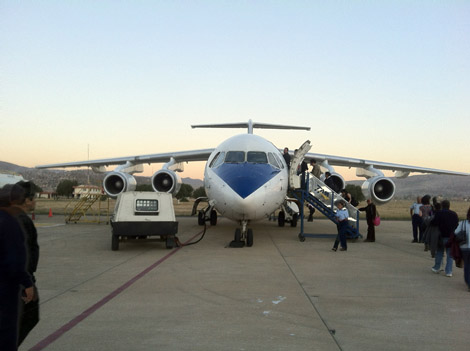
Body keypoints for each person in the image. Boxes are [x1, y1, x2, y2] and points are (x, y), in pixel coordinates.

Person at [0, 184, 34, 351]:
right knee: (6, 333)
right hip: (5, 289)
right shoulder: (9, 224)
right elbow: (14, 260)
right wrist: (27, 283)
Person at [15, 181, 40, 346]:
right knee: (29, 316)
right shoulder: (22, 221)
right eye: (34, 198)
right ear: (26, 200)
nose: (35, 202)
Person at [430, 199, 459, 277]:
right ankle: (448, 271)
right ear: (449, 206)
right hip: (450, 237)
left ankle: (437, 267)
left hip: (440, 236)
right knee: (450, 255)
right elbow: (457, 225)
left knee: (439, 252)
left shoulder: (439, 213)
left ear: (442, 206)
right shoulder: (454, 214)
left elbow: (434, 222)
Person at [455, 207, 470, 291]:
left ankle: (468, 281)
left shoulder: (463, 223)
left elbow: (455, 233)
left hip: (464, 247)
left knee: (467, 265)